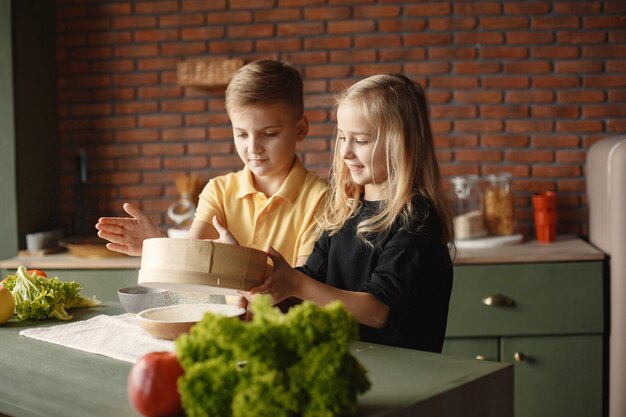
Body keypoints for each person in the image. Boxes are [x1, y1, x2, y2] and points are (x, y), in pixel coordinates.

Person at [249, 74, 455, 352]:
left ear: (402, 143)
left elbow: (378, 311)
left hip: (403, 377)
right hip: (349, 366)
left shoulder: (416, 218)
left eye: (360, 140)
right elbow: (311, 287)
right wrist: (255, 279)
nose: (345, 151)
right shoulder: (344, 211)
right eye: (343, 137)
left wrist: (295, 284)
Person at [95, 59, 328, 269]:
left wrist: (235, 260)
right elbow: (192, 260)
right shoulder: (219, 190)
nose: (253, 147)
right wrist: (154, 246)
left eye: (268, 133)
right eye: (242, 134)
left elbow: (300, 286)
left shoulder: (322, 199)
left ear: (301, 129)